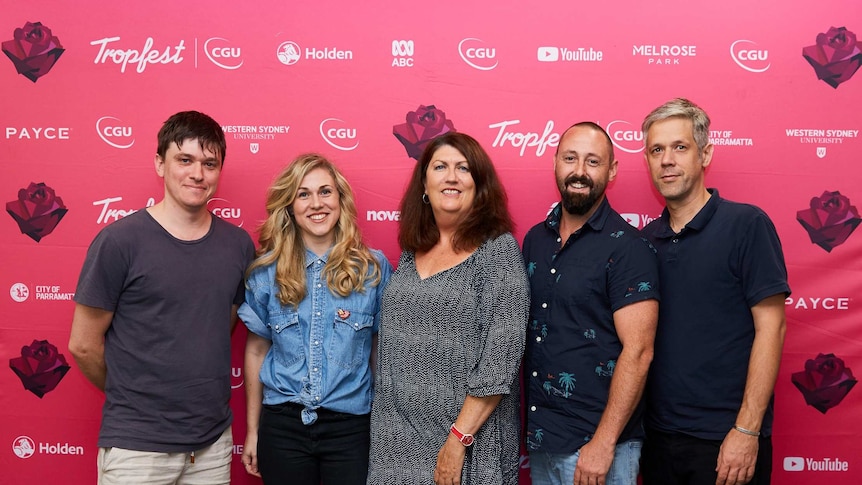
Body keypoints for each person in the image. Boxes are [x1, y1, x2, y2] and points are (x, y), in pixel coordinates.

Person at [68, 111, 255, 484]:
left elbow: (221, 323)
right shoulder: (120, 242)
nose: (197, 174)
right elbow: (83, 345)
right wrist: (135, 396)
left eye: (209, 163)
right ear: (160, 163)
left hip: (211, 447)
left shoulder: (238, 246)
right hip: (137, 447)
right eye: (184, 160)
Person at [639, 98, 790, 485]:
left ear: (705, 154)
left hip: (726, 441)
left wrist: (747, 430)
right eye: (657, 150)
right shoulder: (642, 242)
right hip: (656, 441)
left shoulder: (747, 225)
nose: (667, 160)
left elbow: (772, 328)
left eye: (680, 147)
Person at [367, 132, 529, 485]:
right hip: (395, 443)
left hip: (465, 443)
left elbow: (501, 358)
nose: (451, 177)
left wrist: (458, 439)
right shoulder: (412, 251)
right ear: (424, 183)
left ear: (479, 185)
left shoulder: (497, 251)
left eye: (463, 168)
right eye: (440, 167)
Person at [238, 154, 392, 485]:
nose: (316, 203)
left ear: (340, 200)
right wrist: (252, 431)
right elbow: (255, 351)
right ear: (290, 205)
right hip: (283, 428)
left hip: (351, 427)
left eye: (325, 191)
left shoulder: (373, 269)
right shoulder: (267, 271)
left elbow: (381, 352)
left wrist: (387, 428)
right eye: (303, 194)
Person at [522, 122, 660, 485]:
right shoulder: (535, 240)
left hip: (598, 448)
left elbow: (640, 350)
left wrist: (603, 443)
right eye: (570, 158)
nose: (579, 172)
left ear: (611, 170)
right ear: (555, 163)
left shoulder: (629, 248)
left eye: (593, 161)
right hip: (543, 439)